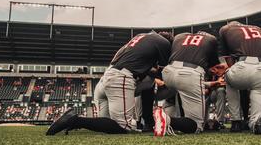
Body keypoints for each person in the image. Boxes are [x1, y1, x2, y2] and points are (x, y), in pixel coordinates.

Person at [46, 31, 175, 135]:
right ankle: (75, 120)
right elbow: (163, 71)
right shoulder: (163, 43)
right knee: (123, 127)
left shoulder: (142, 37)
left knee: (108, 125)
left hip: (105, 79)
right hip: (120, 78)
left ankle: (147, 122)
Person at [155, 31, 226, 135]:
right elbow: (214, 66)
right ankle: (168, 120)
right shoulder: (210, 39)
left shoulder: (180, 36)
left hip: (168, 72)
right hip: (190, 74)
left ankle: (157, 118)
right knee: (197, 126)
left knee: (178, 89)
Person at [220, 21, 261, 134]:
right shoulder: (258, 28)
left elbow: (228, 58)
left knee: (229, 78)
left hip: (243, 65)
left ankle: (236, 121)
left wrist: (234, 70)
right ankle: (256, 124)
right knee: (258, 117)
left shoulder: (226, 29)